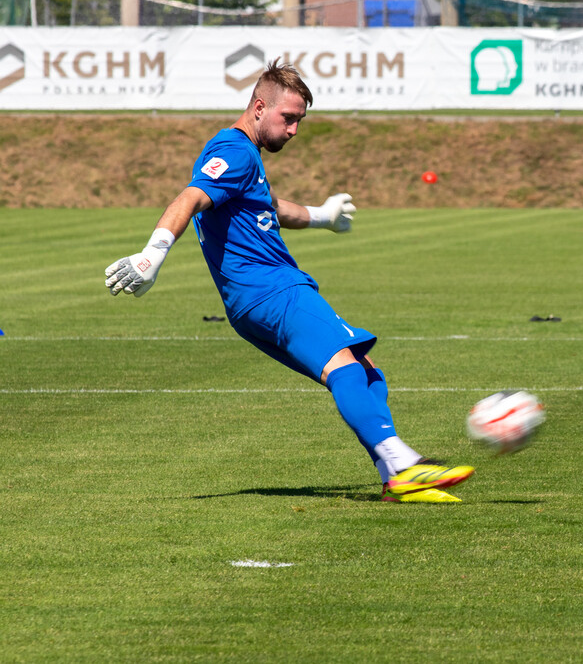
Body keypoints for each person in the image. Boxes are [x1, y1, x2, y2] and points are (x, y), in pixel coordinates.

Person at [104, 59, 474, 502]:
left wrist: (323, 216)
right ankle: (405, 465)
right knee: (345, 368)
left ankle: (395, 481)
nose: (295, 130)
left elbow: (272, 209)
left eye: (300, 120)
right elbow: (191, 196)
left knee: (368, 373)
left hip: (252, 303)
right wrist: (153, 254)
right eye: (289, 118)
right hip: (273, 290)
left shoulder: (247, 159)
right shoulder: (235, 150)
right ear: (259, 107)